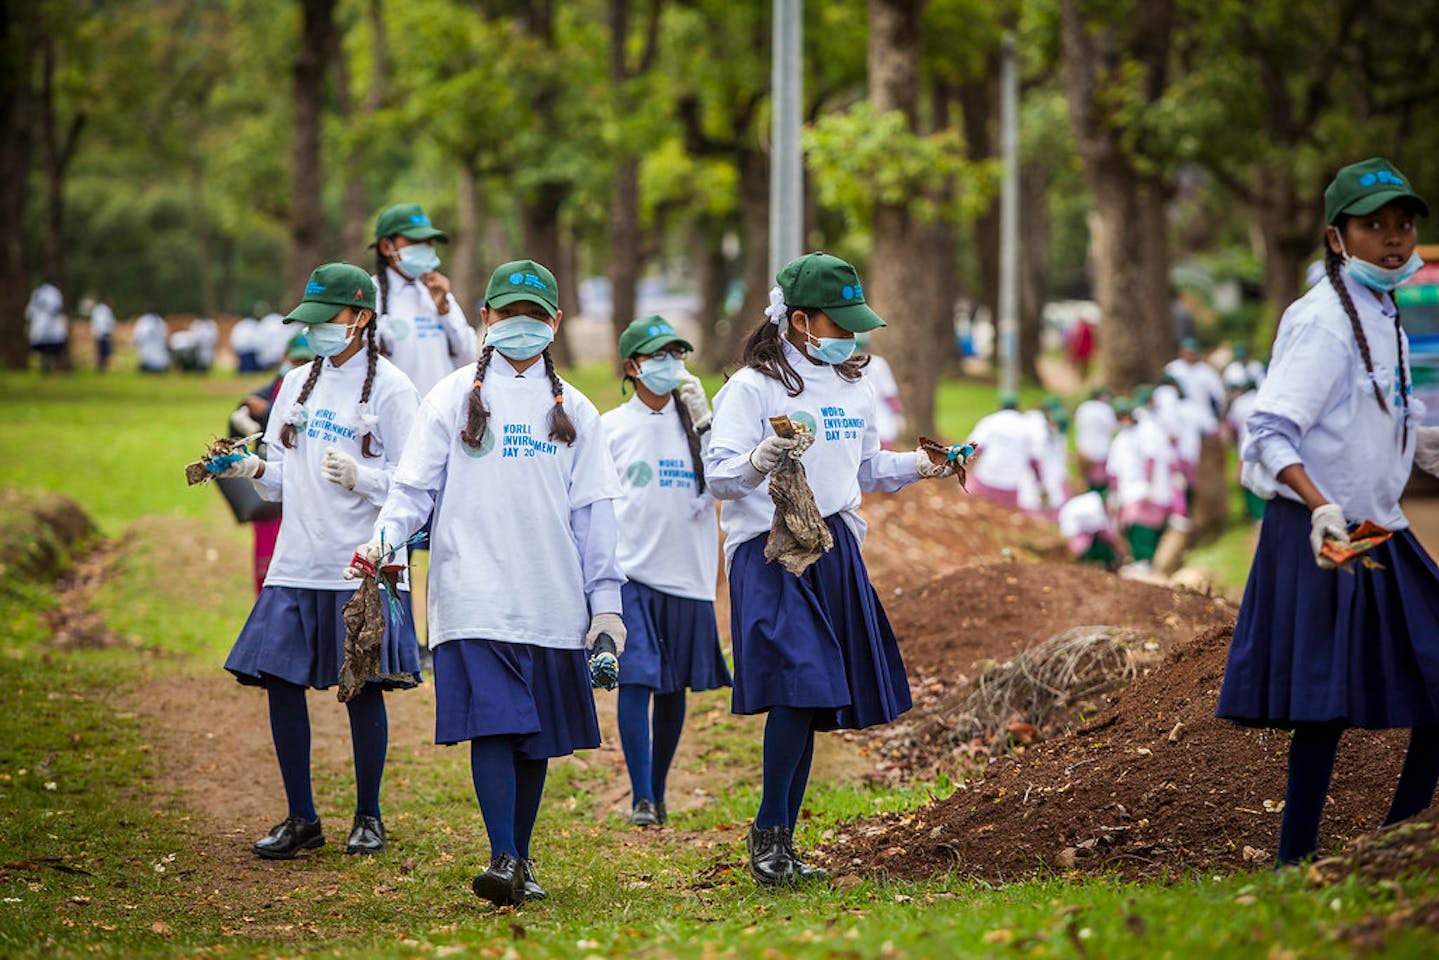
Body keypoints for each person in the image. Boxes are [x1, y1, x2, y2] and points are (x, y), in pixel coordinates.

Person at [351, 259, 623, 907]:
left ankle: (520, 858)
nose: (521, 326)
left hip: (551, 600)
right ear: (486, 319)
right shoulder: (448, 399)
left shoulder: (578, 411)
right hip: (469, 595)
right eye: (509, 314)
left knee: (534, 739)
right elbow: (413, 490)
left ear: (554, 323)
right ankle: (502, 856)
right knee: (496, 726)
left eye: (535, 316)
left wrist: (605, 607)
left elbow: (595, 517)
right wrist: (382, 541)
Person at [704, 253, 973, 887]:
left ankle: (781, 844)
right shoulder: (751, 388)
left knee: (813, 694)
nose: (850, 336)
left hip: (834, 547)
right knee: (800, 684)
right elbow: (719, 476)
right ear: (798, 320)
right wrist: (763, 454)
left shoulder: (857, 382)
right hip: (770, 551)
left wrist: (926, 466)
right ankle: (769, 840)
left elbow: (866, 467)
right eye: (837, 321)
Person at [1220, 158, 1439, 865]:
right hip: (1325, 532)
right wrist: (1319, 510)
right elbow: (1269, 431)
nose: (1393, 239)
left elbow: (1372, 417)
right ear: (1335, 237)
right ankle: (1293, 863)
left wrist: (1423, 447)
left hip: (1377, 523)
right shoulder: (1321, 321)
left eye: (1402, 224)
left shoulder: (1383, 313)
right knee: (1323, 705)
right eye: (1372, 225)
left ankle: (1394, 841)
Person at [215, 263, 423, 861]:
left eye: (324, 319)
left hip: (361, 564)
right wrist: (252, 469)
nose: (313, 332)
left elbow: (416, 487)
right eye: (306, 321)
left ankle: (369, 816)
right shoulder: (296, 383)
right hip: (295, 560)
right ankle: (301, 816)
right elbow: (283, 480)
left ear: (360, 317)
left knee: (362, 687)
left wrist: (363, 477)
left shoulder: (393, 389)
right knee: (279, 679)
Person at [602, 316, 730, 828]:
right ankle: (642, 797)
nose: (670, 364)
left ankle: (659, 786)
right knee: (636, 679)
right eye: (658, 356)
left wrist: (707, 425)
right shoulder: (610, 427)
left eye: (677, 354)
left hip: (689, 573)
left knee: (673, 687)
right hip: (632, 572)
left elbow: (729, 481)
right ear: (632, 366)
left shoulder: (698, 426)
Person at [229, 334, 319, 594]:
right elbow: (236, 429)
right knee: (267, 559)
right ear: (284, 359)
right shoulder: (266, 392)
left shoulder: (315, 394)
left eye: (306, 360)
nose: (299, 366)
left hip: (301, 493)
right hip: (268, 493)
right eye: (295, 360)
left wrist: (265, 413)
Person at [372, 203, 478, 398]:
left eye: (429, 242)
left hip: (441, 412)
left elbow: (467, 357)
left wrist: (444, 310)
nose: (427, 248)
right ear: (387, 246)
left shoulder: (439, 293)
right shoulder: (372, 296)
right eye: (416, 241)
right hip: (396, 413)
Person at [966, 394, 1039, 510]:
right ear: (1018, 407)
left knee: (976, 506)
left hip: (987, 476)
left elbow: (974, 448)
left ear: (1000, 406)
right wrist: (1038, 481)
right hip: (1011, 481)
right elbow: (1034, 460)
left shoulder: (990, 422)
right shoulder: (1027, 426)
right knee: (1005, 513)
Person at [858, 335, 904, 448]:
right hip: (881, 424)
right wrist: (898, 414)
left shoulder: (843, 366)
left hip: (864, 423)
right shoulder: (877, 363)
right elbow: (889, 392)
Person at [1164, 337, 1226, 419]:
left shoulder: (1206, 371)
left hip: (1203, 414)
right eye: (1187, 352)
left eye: (1192, 353)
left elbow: (1219, 395)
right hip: (1180, 416)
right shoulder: (1172, 369)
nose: (1190, 356)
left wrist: (1221, 415)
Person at [1074, 386, 1116, 493]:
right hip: (1100, 451)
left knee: (1086, 480)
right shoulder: (1105, 408)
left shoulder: (1083, 407)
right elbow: (1113, 427)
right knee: (1100, 481)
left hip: (1084, 450)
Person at [26, 281, 66, 372]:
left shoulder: (41, 293)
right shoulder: (43, 293)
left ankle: (47, 367)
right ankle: (46, 367)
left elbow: (30, 311)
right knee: (47, 349)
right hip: (45, 328)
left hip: (45, 328)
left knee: (47, 350)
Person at [90, 296, 114, 372]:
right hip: (104, 334)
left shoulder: (96, 309)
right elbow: (109, 323)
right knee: (104, 352)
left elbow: (94, 322)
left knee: (99, 351)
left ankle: (100, 367)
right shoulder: (107, 310)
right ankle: (103, 368)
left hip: (97, 333)